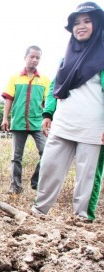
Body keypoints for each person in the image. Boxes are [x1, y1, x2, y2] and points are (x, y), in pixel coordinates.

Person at [31, 2, 104, 221]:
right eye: (76, 23)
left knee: (87, 175)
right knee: (49, 167)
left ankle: (83, 218)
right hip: (63, 123)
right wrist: (48, 113)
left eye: (87, 21)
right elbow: (56, 85)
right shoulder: (66, 57)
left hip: (93, 129)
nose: (81, 26)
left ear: (97, 24)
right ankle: (38, 211)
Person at [1, 46, 51, 194]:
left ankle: (36, 182)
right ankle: (15, 187)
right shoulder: (15, 78)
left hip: (37, 123)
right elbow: (9, 99)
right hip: (18, 122)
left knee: (46, 152)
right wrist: (5, 118)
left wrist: (49, 119)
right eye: (32, 57)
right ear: (25, 57)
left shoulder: (45, 80)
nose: (34, 60)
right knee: (16, 157)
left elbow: (47, 103)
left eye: (38, 57)